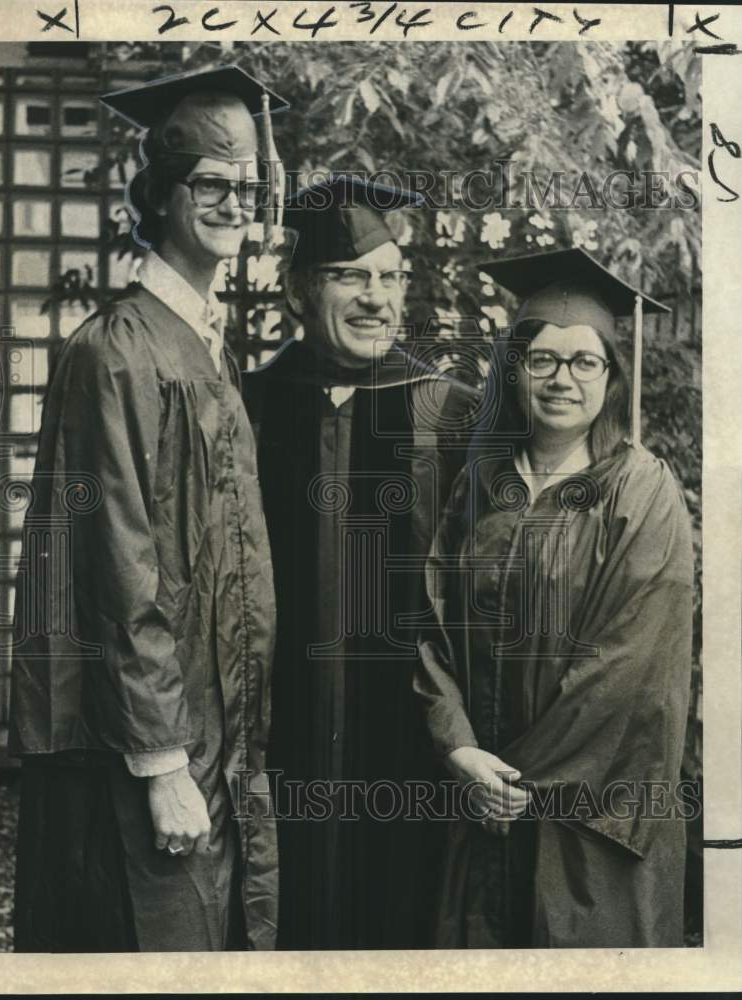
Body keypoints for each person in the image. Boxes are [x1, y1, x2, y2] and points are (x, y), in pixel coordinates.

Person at [9, 65, 288, 952]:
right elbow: (119, 566)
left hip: (212, 720)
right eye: (211, 184)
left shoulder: (205, 344)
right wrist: (163, 762)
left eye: (246, 186)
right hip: (149, 740)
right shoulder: (120, 354)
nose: (234, 202)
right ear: (161, 195)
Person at [415, 247, 695, 948]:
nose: (561, 380)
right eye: (541, 360)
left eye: (583, 362)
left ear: (611, 374)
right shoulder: (480, 485)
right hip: (483, 801)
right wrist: (458, 751)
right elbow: (431, 625)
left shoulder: (641, 491)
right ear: (514, 372)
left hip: (584, 821)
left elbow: (630, 677)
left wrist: (513, 782)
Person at [242, 175, 481, 949]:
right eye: (351, 275)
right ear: (299, 289)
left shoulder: (449, 413)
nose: (376, 296)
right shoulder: (248, 406)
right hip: (277, 736)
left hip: (411, 741)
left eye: (390, 277)